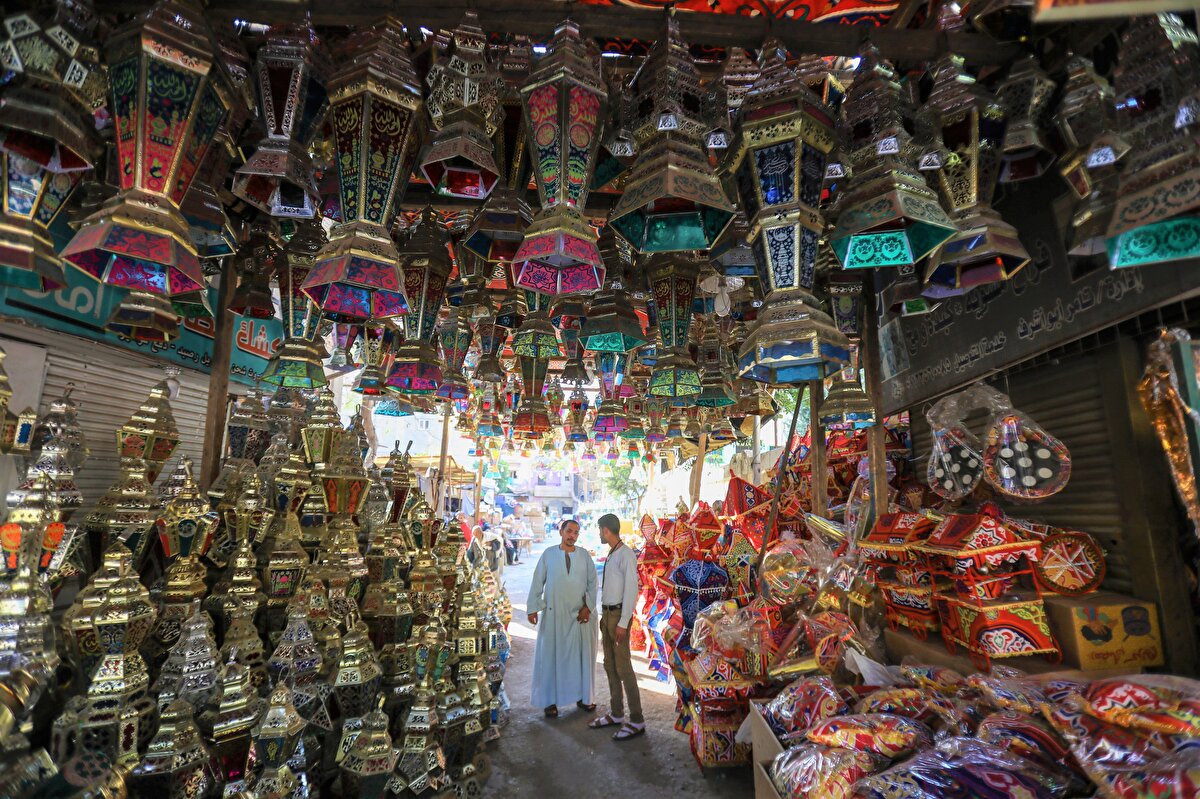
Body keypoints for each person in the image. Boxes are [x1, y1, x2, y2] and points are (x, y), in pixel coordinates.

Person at [527, 518, 598, 718]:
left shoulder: (584, 556)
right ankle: (550, 702)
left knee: (578, 660)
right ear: (561, 532)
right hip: (554, 615)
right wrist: (533, 608)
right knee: (550, 657)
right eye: (569, 531)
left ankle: (582, 698)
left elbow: (593, 584)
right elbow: (537, 581)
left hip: (578, 616)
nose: (572, 536)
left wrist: (588, 607)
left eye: (576, 532)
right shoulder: (549, 554)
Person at [588, 512, 645, 741]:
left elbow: (632, 589)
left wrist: (623, 622)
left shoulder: (626, 554)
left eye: (600, 530)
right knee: (610, 664)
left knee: (624, 667)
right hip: (608, 615)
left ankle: (637, 719)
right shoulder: (613, 553)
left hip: (619, 616)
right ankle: (617, 713)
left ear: (606, 530)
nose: (600, 534)